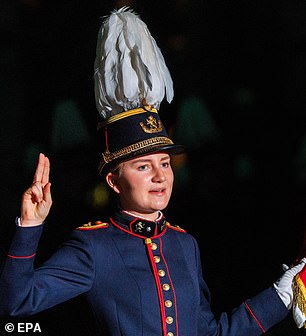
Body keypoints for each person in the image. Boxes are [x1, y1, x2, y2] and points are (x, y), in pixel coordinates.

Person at [0, 7, 305, 336]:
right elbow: (17, 303)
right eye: (144, 166)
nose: (160, 176)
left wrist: (280, 296)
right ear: (114, 181)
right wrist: (30, 226)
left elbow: (210, 333)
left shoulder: (184, 244)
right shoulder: (93, 247)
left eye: (164, 163)